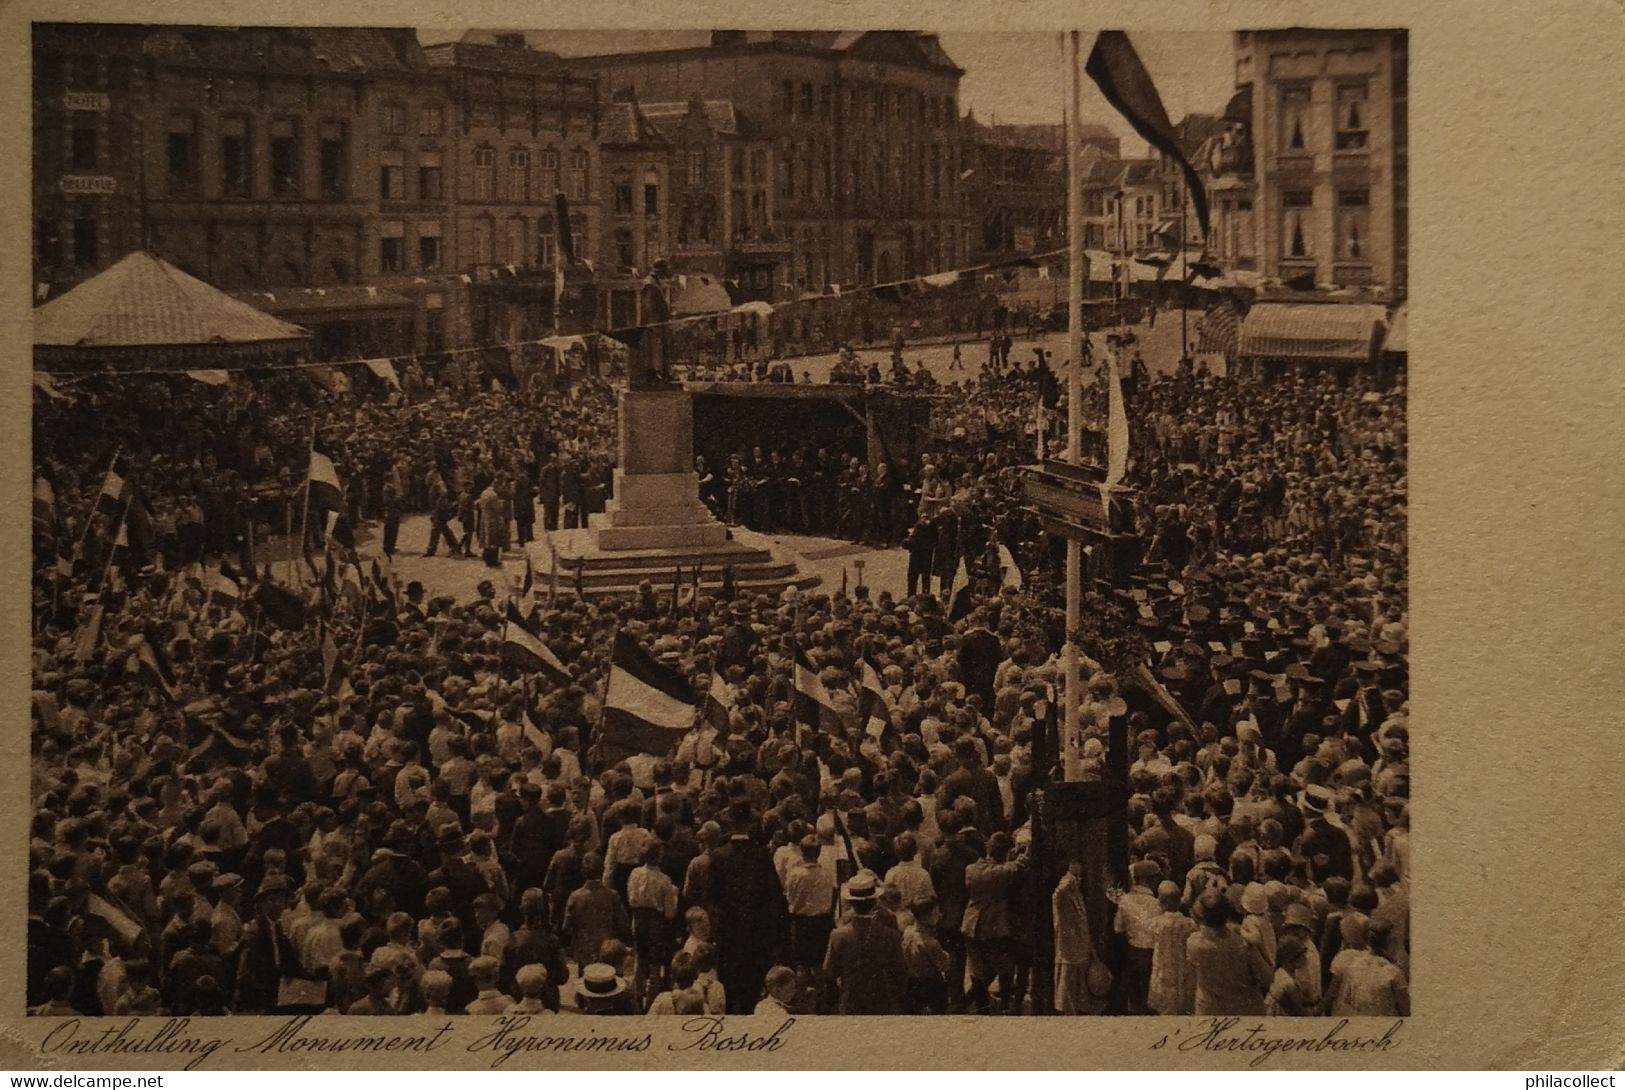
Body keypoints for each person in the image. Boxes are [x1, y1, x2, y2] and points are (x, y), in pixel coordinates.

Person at [822, 872, 906, 1015]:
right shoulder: (890, 935)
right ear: (875, 902)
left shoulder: (838, 935)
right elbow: (901, 972)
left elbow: (829, 971)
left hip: (851, 1002)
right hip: (884, 1001)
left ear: (851, 903)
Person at [1184, 891, 1272, 1015]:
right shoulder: (1243, 943)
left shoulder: (1193, 943)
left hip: (1210, 1010)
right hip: (1245, 1010)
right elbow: (1266, 978)